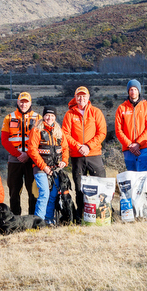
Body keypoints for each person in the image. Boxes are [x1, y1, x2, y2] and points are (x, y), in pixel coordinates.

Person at [62, 86, 107, 220]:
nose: (81, 98)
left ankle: (101, 215)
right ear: (75, 98)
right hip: (77, 156)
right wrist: (78, 146)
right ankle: (82, 216)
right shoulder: (69, 114)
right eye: (79, 96)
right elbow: (65, 134)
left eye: (84, 96)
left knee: (100, 184)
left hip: (94, 154)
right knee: (80, 187)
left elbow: (102, 132)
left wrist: (88, 146)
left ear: (88, 97)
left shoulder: (96, 112)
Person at [1, 92, 41, 216]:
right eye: (21, 102)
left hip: (32, 159)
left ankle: (32, 218)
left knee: (33, 191)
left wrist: (28, 154)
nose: (24, 104)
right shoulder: (8, 117)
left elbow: (41, 140)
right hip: (14, 159)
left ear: (30, 103)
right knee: (14, 191)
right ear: (18, 102)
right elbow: (4, 140)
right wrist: (18, 154)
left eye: (26, 102)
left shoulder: (38, 118)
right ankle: (15, 219)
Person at [28, 106, 68, 224]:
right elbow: (32, 150)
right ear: (43, 116)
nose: (49, 118)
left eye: (52, 116)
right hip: (40, 168)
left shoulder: (59, 131)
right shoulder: (36, 130)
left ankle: (49, 220)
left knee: (53, 195)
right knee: (44, 194)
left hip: (55, 169)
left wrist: (64, 161)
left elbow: (65, 148)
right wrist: (44, 167)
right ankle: (38, 222)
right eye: (47, 115)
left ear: (55, 117)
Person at [115, 79, 147, 172]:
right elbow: (118, 130)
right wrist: (130, 145)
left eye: (135, 89)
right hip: (128, 149)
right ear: (128, 91)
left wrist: (138, 144)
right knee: (131, 177)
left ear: (139, 91)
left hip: (143, 148)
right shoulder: (121, 108)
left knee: (142, 177)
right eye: (131, 90)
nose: (133, 92)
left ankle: (145, 188)